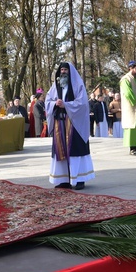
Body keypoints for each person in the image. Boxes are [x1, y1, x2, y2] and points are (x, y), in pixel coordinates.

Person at [46, 62, 95, 190]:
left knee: (75, 150)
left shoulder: (78, 85)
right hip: (60, 123)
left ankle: (80, 179)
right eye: (61, 70)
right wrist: (54, 103)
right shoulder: (55, 86)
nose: (63, 72)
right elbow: (47, 100)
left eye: (65, 70)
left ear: (70, 72)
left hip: (74, 124)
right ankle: (63, 179)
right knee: (60, 151)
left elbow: (83, 103)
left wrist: (67, 105)